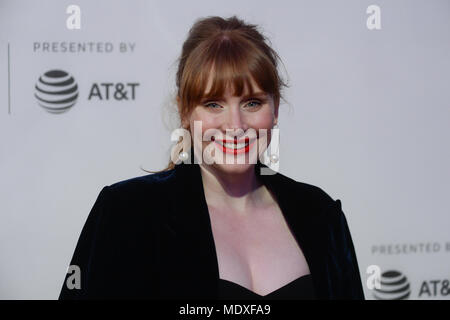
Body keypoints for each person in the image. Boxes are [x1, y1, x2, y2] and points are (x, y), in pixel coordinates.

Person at [58, 15, 365, 300]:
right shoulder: (128, 213)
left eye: (252, 103)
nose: (235, 125)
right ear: (185, 112)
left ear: (276, 108)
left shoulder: (320, 215)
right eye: (214, 104)